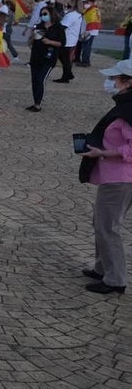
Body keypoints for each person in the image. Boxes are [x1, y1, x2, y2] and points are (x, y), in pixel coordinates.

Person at [79, 61, 132, 296]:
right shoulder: (123, 105)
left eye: (115, 78)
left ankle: (115, 279)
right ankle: (102, 268)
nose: (110, 82)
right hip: (113, 177)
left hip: (120, 179)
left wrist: (104, 153)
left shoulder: (129, 110)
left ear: (128, 82)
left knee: (108, 227)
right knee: (100, 224)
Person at [26, 2, 64, 112]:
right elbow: (30, 43)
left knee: (40, 79)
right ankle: (35, 102)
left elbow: (62, 43)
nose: (43, 16)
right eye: (42, 14)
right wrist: (33, 36)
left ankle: (38, 104)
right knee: (34, 80)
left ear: (51, 14)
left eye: (45, 14)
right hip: (36, 56)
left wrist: (49, 41)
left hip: (48, 58)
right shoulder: (39, 26)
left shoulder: (58, 28)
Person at [54, 0, 81, 83]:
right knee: (64, 58)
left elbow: (63, 26)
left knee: (63, 58)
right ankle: (68, 74)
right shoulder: (77, 15)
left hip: (67, 39)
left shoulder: (71, 15)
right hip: (71, 39)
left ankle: (66, 76)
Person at [78, 0, 101, 67]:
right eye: (85, 3)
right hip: (90, 31)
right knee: (87, 47)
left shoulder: (92, 10)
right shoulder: (93, 9)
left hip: (89, 32)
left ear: (92, 3)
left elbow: (92, 21)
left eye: (88, 3)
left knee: (86, 47)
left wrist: (86, 32)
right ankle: (85, 61)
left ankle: (85, 62)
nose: (86, 4)